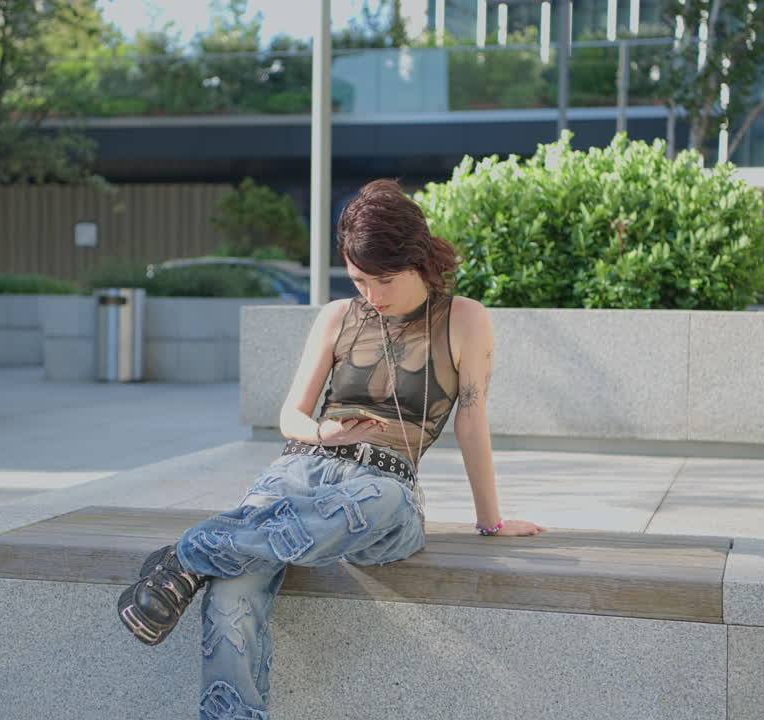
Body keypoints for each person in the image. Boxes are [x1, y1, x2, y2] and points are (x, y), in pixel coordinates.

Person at [117, 178, 545, 720]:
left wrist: (490, 522)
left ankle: (191, 553)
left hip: (383, 488)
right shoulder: (338, 316)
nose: (373, 294)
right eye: (360, 279)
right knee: (229, 596)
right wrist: (326, 433)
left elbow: (471, 421)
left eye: (384, 279)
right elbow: (290, 417)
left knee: (373, 503)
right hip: (300, 470)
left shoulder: (464, 318)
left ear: (418, 259)